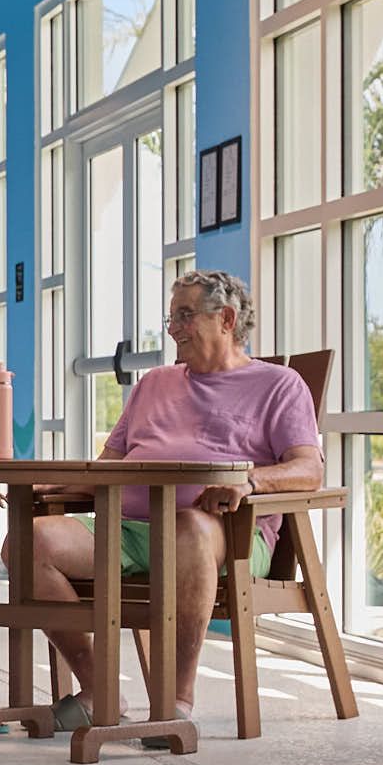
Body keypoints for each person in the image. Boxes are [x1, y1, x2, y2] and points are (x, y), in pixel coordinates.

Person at [26, 268, 323, 734]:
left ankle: (174, 702)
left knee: (187, 527)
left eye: (185, 316)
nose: (173, 329)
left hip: (225, 535)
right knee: (29, 541)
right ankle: (100, 688)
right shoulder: (153, 384)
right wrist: (61, 487)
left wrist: (249, 482)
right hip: (128, 529)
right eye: (171, 318)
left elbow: (309, 469)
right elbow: (109, 465)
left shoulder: (279, 385)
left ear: (227, 319)